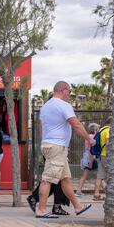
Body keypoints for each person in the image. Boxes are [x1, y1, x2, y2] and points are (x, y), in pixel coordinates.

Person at [37, 81, 94, 218]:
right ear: (63, 90)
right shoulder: (63, 105)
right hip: (57, 146)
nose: (69, 94)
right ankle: (41, 209)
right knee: (47, 179)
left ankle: (78, 207)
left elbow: (41, 127)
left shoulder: (46, 106)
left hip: (50, 145)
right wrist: (89, 139)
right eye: (69, 91)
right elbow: (76, 124)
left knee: (66, 179)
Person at [75, 123, 100, 197]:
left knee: (84, 176)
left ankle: (78, 191)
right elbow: (92, 149)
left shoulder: (88, 137)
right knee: (98, 177)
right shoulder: (94, 137)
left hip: (86, 156)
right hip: (92, 157)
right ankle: (96, 192)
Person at [94, 117, 112, 201]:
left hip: (101, 155)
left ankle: (96, 193)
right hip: (106, 155)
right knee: (110, 175)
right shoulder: (108, 130)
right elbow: (108, 142)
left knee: (100, 176)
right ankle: (110, 194)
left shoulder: (101, 130)